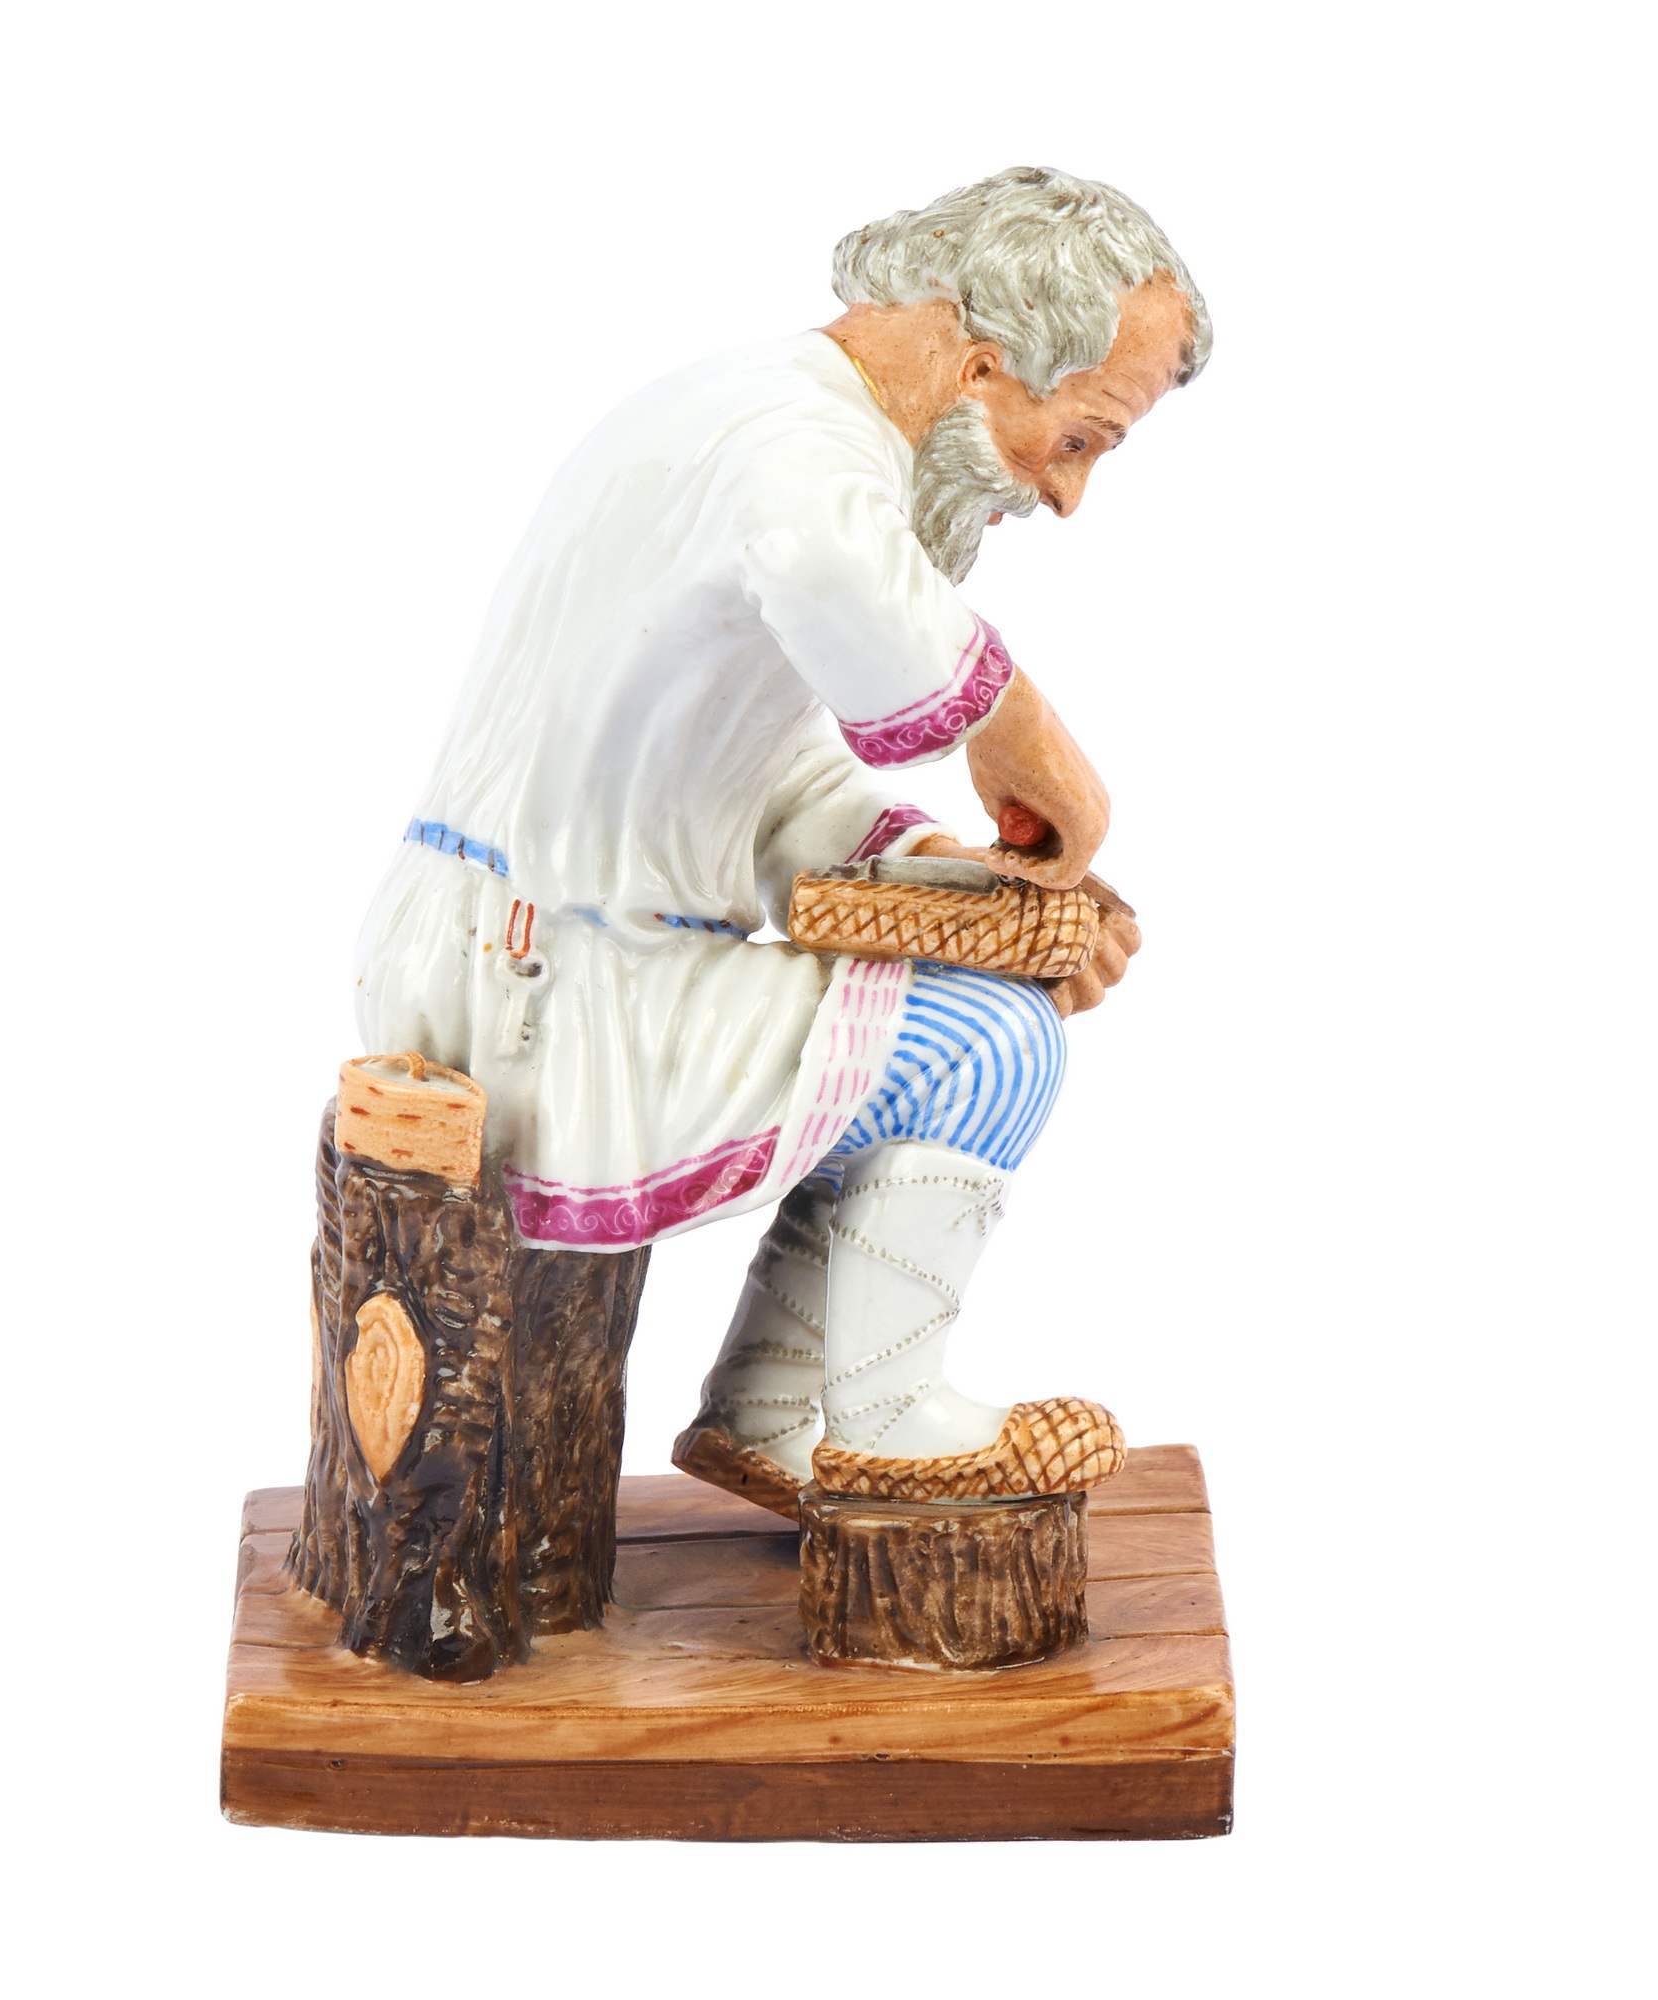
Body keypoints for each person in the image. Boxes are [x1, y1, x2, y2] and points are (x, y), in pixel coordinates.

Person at [355, 167, 1211, 1512]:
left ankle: (767, 1414)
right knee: (991, 1043)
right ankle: (885, 1417)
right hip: (543, 984)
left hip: (533, 950)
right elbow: (833, 572)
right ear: (986, 362)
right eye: (1083, 436)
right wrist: (1020, 731)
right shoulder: (794, 444)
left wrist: (947, 872)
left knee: (974, 1003)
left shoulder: (766, 415)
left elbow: (751, 773)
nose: (1066, 495)